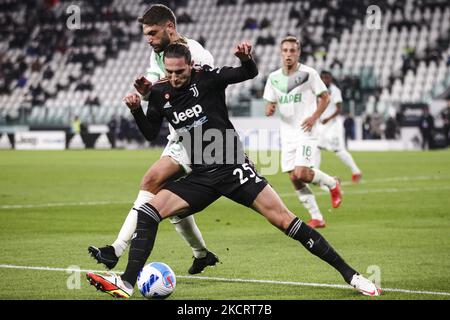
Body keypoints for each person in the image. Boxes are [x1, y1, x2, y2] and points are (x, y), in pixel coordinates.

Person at [86, 42, 381, 299]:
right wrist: (137, 108)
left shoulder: (209, 79)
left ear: (191, 66)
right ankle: (125, 282)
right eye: (170, 72)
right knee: (149, 211)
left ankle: (352, 276)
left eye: (180, 71)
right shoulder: (161, 92)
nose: (175, 78)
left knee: (285, 221)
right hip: (202, 174)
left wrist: (246, 58)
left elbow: (247, 73)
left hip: (233, 167)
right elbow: (150, 132)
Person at [88, 4, 218, 275]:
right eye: (146, 34)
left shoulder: (195, 52)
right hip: (180, 135)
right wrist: (146, 93)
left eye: (153, 33)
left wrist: (157, 89)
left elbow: (203, 88)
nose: (148, 39)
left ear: (169, 28)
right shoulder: (158, 55)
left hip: (202, 135)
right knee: (174, 208)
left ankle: (116, 249)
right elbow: (160, 90)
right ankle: (202, 254)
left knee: (151, 181)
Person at [263, 37, 342, 229]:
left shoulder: (309, 74)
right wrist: (270, 108)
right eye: (285, 51)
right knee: (293, 177)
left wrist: (314, 117)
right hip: (287, 133)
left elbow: (325, 97)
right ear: (280, 53)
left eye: (292, 51)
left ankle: (332, 183)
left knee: (302, 172)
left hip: (306, 130)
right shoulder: (274, 77)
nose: (289, 54)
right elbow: (270, 102)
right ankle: (317, 217)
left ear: (298, 53)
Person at [318, 70, 362, 183]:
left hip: (333, 125)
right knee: (316, 146)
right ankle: (315, 173)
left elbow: (339, 109)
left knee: (338, 150)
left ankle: (356, 171)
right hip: (322, 125)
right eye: (322, 78)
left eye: (327, 78)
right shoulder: (318, 89)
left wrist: (328, 118)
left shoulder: (335, 91)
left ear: (330, 79)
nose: (324, 80)